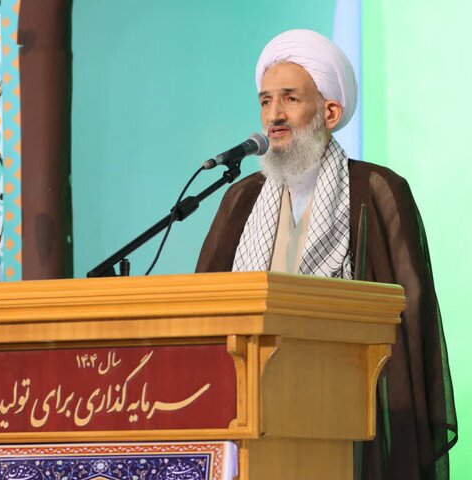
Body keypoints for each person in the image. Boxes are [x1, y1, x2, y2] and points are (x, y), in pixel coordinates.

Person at [196, 29, 457, 480]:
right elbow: (207, 303)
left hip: (348, 417)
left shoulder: (375, 190)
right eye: (265, 101)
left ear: (330, 112)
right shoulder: (242, 198)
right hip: (250, 414)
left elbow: (408, 321)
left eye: (290, 98)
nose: (273, 115)